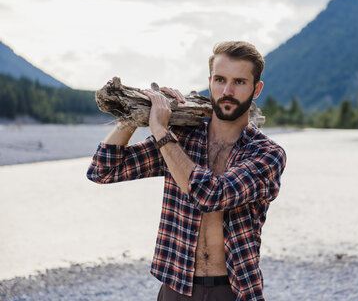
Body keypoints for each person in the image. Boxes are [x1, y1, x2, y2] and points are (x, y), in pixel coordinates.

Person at [87, 41, 287, 301]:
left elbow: (210, 195)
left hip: (233, 290)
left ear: (256, 89)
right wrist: (141, 113)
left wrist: (160, 130)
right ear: (210, 81)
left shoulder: (267, 154)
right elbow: (102, 170)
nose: (227, 90)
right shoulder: (181, 139)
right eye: (220, 79)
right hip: (176, 287)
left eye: (239, 82)